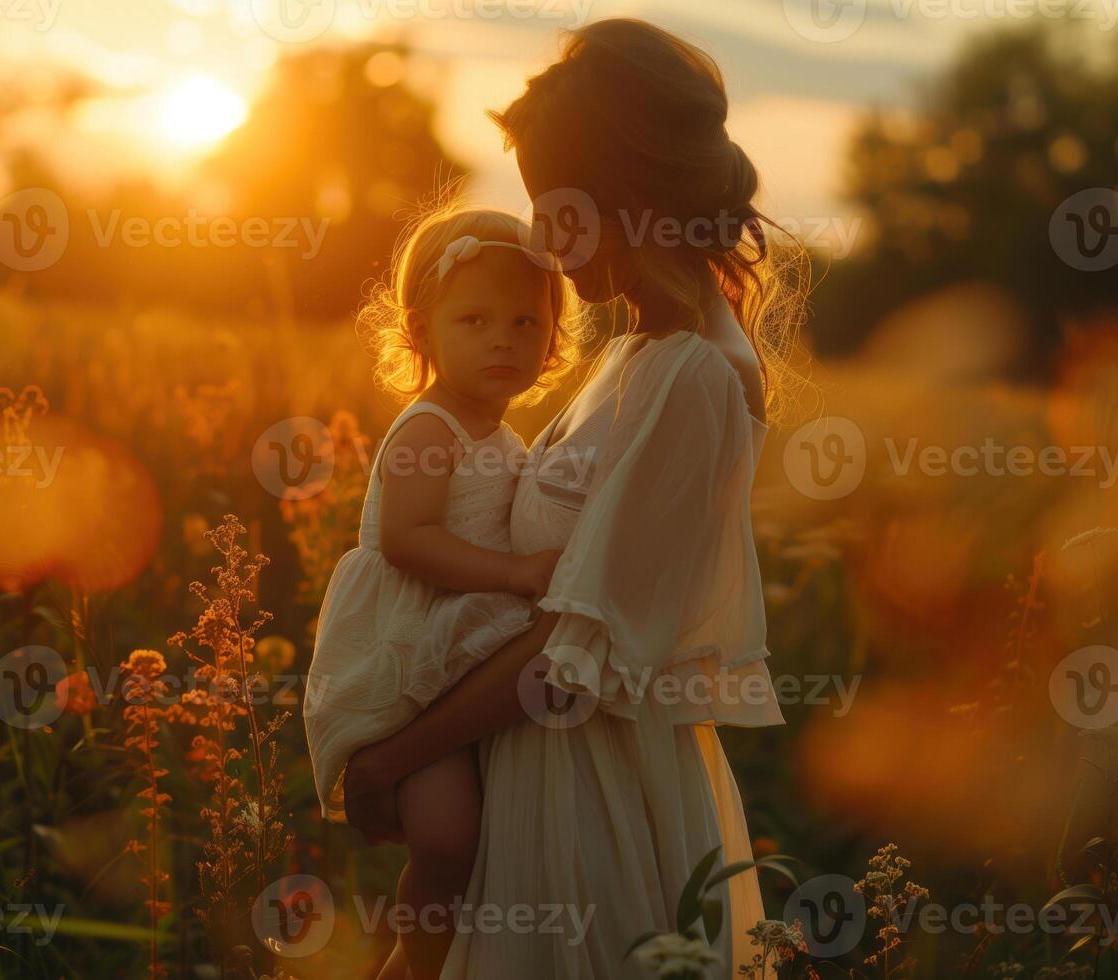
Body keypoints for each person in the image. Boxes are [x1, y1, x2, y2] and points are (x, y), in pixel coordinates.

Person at [344, 18, 809, 979]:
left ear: (628, 198)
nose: (547, 252)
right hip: (527, 765)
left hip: (587, 792)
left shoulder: (697, 377)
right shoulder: (632, 353)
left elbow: (574, 650)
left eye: (560, 213)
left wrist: (394, 758)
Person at [302, 204, 591, 980]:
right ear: (422, 331)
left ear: (553, 341)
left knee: (489, 837)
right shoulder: (429, 429)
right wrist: (512, 574)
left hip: (465, 655)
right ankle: (411, 962)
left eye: (526, 323)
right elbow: (407, 540)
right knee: (447, 839)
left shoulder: (502, 437)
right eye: (473, 319)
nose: (503, 338)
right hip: (410, 665)